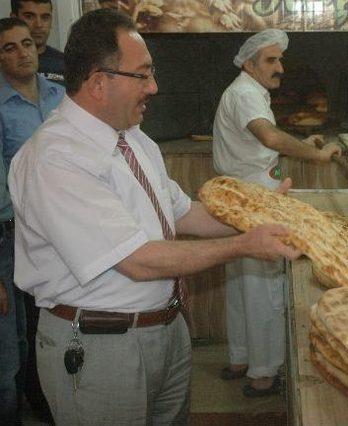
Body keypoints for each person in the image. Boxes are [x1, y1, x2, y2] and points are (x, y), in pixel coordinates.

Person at [8, 9, 301, 425]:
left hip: (166, 331)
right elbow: (138, 260)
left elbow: (184, 214)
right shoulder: (55, 159)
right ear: (97, 81)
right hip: (100, 347)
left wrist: (264, 211)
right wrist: (243, 246)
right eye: (142, 75)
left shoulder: (135, 140)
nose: (154, 87)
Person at [212, 28, 341, 397]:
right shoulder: (246, 93)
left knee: (240, 281)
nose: (280, 67)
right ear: (250, 63)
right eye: (271, 60)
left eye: (280, 59)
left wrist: (300, 143)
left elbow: (262, 141)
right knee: (263, 284)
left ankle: (241, 358)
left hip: (240, 193)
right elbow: (269, 138)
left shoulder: (245, 92)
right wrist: (315, 153)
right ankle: (264, 374)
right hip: (255, 197)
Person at [0, 17, 63, 424]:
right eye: (10, 47)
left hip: (60, 230)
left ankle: (47, 406)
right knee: (12, 343)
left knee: (48, 327)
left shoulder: (60, 95)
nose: (24, 52)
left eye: (27, 43)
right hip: (11, 233)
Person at [11, 0, 65, 84]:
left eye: (45, 17)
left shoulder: (65, 63)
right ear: (14, 18)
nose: (39, 25)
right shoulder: (5, 64)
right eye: (29, 17)